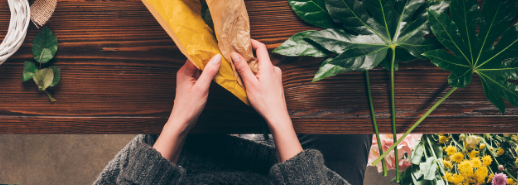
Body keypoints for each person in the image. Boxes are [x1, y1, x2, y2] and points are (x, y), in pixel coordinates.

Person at [94, 39, 371, 185]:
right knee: (350, 85)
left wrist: (179, 122)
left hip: (192, 169)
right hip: (303, 177)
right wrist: (278, 117)